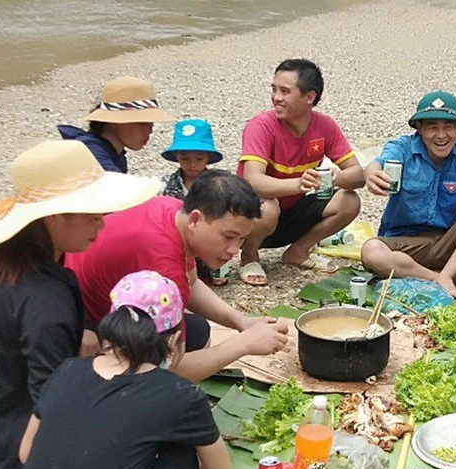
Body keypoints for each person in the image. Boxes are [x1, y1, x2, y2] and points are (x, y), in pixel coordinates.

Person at [0, 140, 159, 469]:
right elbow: (52, 400)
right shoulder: (43, 298)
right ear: (53, 218)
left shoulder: (9, 258)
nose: (102, 223)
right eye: (91, 215)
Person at [4, 271, 232, 469]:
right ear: (175, 338)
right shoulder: (181, 395)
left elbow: (26, 453)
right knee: (180, 453)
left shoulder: (67, 369)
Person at [65, 169, 289, 381]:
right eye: (228, 237)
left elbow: (192, 282)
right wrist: (244, 344)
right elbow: (169, 368)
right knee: (178, 352)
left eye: (242, 239)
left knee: (197, 331)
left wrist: (241, 321)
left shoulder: (174, 211)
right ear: (195, 220)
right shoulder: (163, 265)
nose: (234, 250)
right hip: (75, 321)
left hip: (86, 298)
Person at [362, 90, 456, 300]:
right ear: (419, 128)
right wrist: (371, 174)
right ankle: (440, 278)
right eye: (432, 127)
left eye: (448, 127)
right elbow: (377, 164)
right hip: (403, 245)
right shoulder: (402, 148)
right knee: (371, 251)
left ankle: (446, 274)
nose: (441, 135)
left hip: (449, 245)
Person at [236, 58, 364, 285]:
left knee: (350, 200)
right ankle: (249, 255)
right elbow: (252, 181)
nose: (276, 97)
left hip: (294, 210)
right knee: (268, 207)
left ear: (309, 97)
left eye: (285, 91)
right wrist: (300, 184)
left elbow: (358, 176)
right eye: (274, 89)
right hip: (256, 216)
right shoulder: (261, 126)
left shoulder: (325, 126)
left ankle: (299, 251)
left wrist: (338, 178)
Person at [58, 76, 174, 173]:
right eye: (141, 123)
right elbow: (118, 187)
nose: (150, 130)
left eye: (151, 123)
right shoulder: (91, 152)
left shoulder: (113, 152)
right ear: (114, 122)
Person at [160, 118, 227, 286]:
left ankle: (216, 269)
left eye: (199, 158)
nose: (192, 164)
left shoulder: (219, 184)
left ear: (208, 158)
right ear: (177, 157)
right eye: (185, 158)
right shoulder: (165, 185)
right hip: (178, 239)